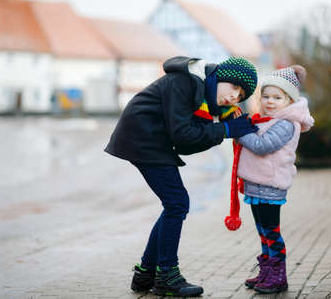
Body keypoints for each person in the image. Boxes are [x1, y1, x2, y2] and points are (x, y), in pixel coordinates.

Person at [104, 56, 259, 297]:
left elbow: (187, 143)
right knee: (177, 203)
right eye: (234, 88)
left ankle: (146, 273)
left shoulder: (203, 96)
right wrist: (225, 130)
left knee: (174, 204)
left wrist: (224, 126)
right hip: (143, 137)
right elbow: (183, 136)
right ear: (222, 77)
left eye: (241, 97)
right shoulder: (186, 83)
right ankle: (166, 275)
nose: (234, 98)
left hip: (151, 140)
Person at [231, 65, 314, 294]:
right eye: (266, 96)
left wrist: (239, 131)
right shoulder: (268, 120)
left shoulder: (286, 124)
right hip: (257, 186)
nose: (270, 101)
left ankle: (278, 275)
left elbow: (262, 145)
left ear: (289, 100)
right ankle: (267, 270)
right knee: (262, 231)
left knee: (271, 231)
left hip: (270, 186)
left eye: (277, 97)